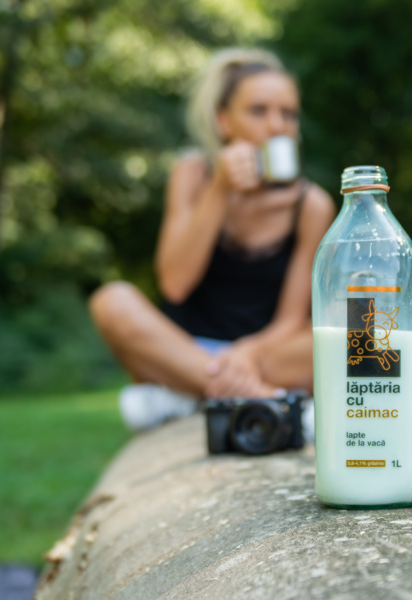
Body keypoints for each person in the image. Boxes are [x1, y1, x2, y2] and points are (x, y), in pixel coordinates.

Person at [89, 48, 335, 430]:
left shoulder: (312, 205)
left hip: (264, 355)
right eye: (258, 111)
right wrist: (219, 189)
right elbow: (175, 284)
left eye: (288, 114)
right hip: (183, 348)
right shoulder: (192, 174)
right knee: (111, 301)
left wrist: (246, 354)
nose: (276, 126)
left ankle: (188, 392)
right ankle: (265, 400)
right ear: (224, 121)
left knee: (348, 337)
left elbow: (291, 319)